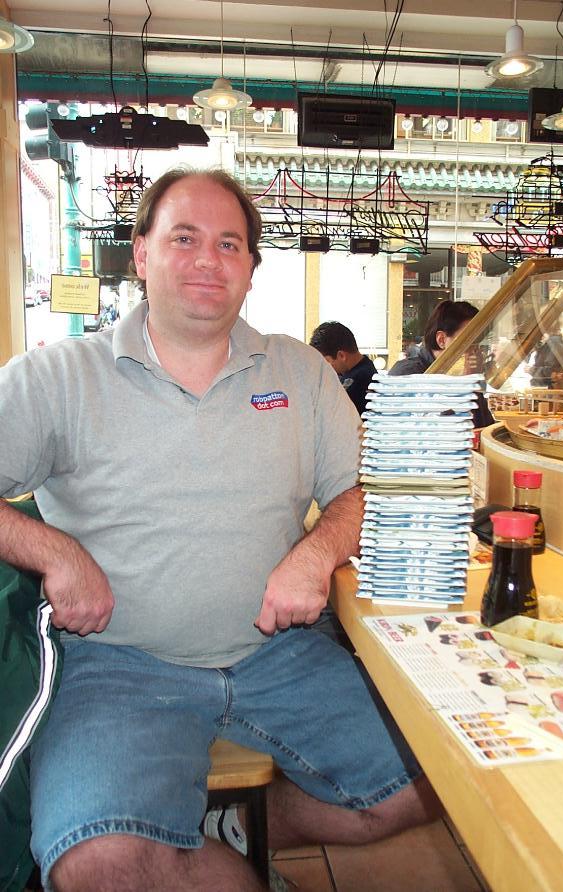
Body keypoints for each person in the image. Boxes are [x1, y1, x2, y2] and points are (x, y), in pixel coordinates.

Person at [0, 167, 439, 892]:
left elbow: (362, 491)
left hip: (281, 656)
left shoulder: (300, 372)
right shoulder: (58, 377)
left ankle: (237, 830)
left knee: (439, 784)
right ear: (141, 254)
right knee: (93, 864)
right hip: (119, 668)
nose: (209, 259)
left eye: (230, 244)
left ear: (251, 268)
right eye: (184, 238)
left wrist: (317, 553)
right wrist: (55, 550)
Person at [389, 299, 494, 428]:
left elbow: (484, 426)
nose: (474, 350)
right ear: (442, 340)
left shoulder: (456, 373)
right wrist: (465, 385)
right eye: (468, 342)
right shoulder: (407, 374)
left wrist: (473, 382)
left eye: (477, 342)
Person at [309, 321, 377, 415]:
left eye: (326, 362)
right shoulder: (364, 368)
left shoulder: (358, 382)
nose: (324, 368)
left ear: (341, 356)